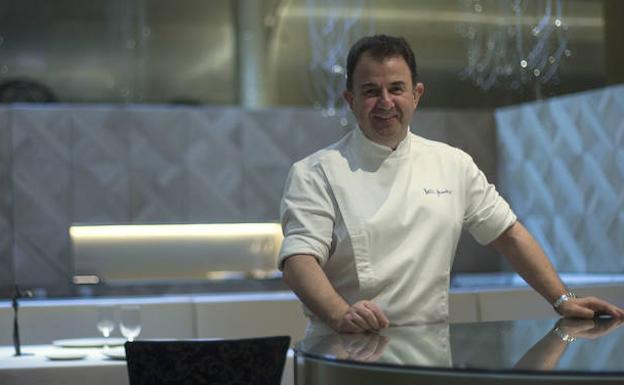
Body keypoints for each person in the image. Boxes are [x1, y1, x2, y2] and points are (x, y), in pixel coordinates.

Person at [278, 34, 624, 334]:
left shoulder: (452, 164)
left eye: (396, 89)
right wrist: (341, 314)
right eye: (371, 91)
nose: (385, 103)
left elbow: (508, 233)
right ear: (350, 100)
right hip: (345, 348)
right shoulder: (315, 172)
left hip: (430, 349)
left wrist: (563, 299)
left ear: (416, 94)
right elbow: (299, 259)